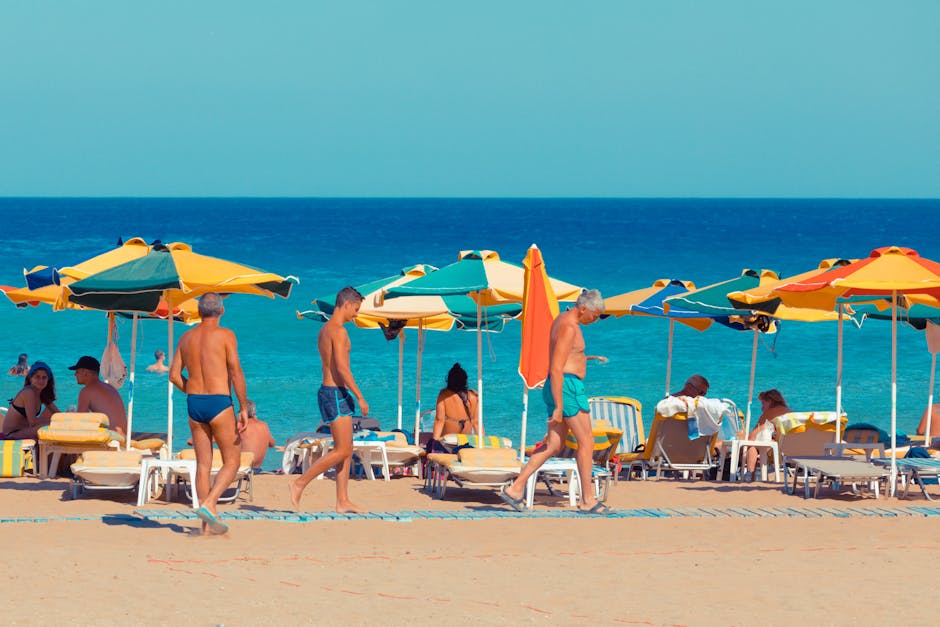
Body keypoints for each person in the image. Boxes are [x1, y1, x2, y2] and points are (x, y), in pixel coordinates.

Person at [500, 289, 608, 514]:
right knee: (586, 442)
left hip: (559, 385)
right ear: (584, 308)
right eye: (595, 316)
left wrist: (585, 358)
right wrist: (559, 407)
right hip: (566, 388)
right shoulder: (570, 327)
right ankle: (588, 500)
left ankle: (516, 488)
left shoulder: (563, 319)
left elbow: (566, 356)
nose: (595, 320)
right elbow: (557, 367)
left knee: (554, 445)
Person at [169, 292, 248, 535]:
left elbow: (173, 375)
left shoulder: (186, 337)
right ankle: (210, 503)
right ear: (221, 311)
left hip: (195, 403)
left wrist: (191, 391)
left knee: (203, 464)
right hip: (219, 402)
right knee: (232, 461)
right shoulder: (226, 335)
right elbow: (235, 372)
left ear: (199, 311)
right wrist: (244, 407)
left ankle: (206, 527)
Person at [289, 286, 369, 514]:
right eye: (355, 309)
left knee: (346, 448)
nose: (356, 314)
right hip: (336, 392)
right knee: (342, 450)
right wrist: (360, 396)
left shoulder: (324, 330)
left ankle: (342, 500)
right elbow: (342, 369)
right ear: (346, 304)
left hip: (329, 391)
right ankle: (299, 483)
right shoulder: (340, 332)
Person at [69, 356, 128, 436]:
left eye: (77, 371)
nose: (75, 374)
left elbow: (80, 421)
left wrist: (69, 416)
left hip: (111, 438)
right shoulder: (109, 387)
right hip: (123, 436)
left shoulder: (86, 391)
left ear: (85, 372)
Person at [1, 361, 59, 439]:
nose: (41, 381)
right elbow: (33, 422)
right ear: (30, 378)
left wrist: (66, 419)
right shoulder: (28, 392)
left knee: (56, 423)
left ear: (48, 380)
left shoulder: (41, 394)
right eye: (37, 377)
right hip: (12, 434)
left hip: (24, 430)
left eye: (44, 377)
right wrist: (55, 421)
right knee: (50, 427)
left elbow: (58, 414)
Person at [743, 389, 791, 481]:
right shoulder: (790, 412)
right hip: (790, 450)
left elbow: (751, 437)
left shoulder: (770, 413)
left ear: (770, 401)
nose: (761, 408)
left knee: (752, 446)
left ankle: (750, 476)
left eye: (763, 403)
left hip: (776, 452)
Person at [432, 363, 479, 440]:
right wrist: (483, 442)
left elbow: (439, 420)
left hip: (448, 441)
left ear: (449, 380)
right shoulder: (474, 396)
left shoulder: (444, 395)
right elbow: (476, 423)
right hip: (466, 441)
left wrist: (434, 441)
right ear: (465, 381)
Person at [238, 399, 275, 471]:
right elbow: (272, 444)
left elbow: (217, 440)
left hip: (243, 468)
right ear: (254, 412)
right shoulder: (264, 425)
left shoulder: (241, 427)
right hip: (257, 469)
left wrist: (239, 421)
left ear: (241, 413)